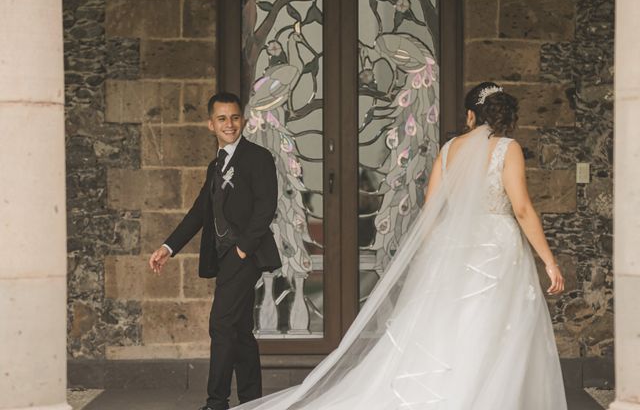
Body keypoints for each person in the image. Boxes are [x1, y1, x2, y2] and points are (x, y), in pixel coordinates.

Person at [232, 82, 567, 409]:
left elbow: (431, 206)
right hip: (497, 249)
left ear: (470, 116)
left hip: (453, 246)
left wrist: (434, 254)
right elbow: (522, 209)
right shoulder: (508, 148)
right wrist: (549, 261)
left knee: (448, 326)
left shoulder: (449, 151)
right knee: (491, 328)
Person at [148, 92, 282, 410]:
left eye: (235, 117)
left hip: (245, 255)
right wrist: (168, 247)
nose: (229, 124)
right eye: (222, 118)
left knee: (220, 324)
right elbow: (198, 212)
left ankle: (216, 402)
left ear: (244, 121)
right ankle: (252, 400)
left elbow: (266, 208)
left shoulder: (258, 158)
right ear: (211, 124)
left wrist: (242, 251)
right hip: (225, 256)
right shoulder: (215, 166)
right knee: (239, 330)